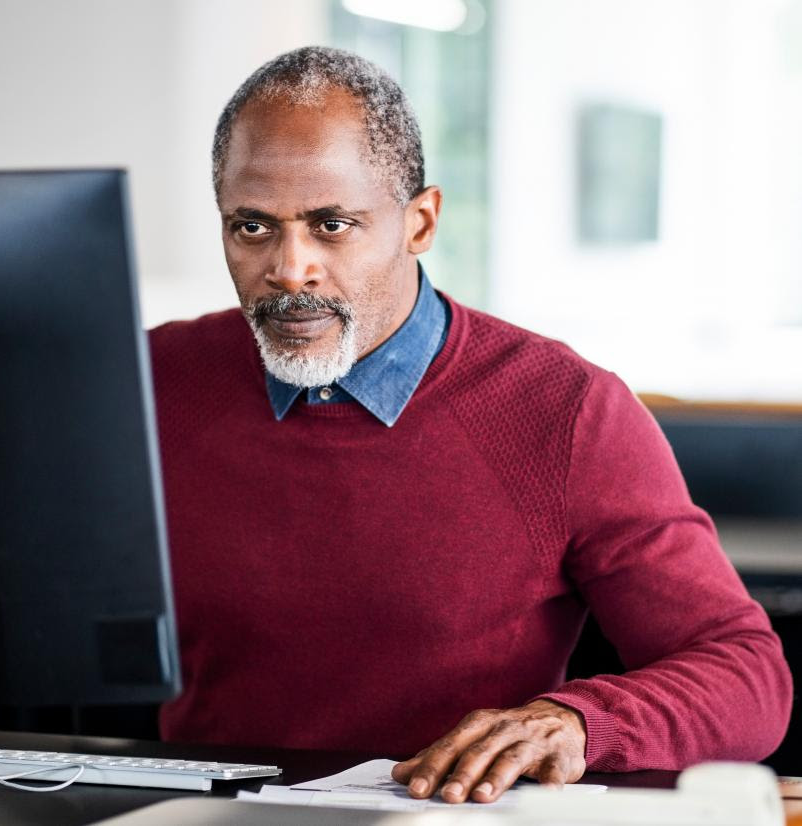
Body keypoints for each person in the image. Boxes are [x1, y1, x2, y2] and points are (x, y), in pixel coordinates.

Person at [147, 46, 792, 804]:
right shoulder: (153, 379)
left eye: (332, 225)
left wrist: (579, 722)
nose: (290, 269)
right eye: (252, 228)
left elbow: (747, 674)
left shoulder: (567, 412)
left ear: (420, 223)